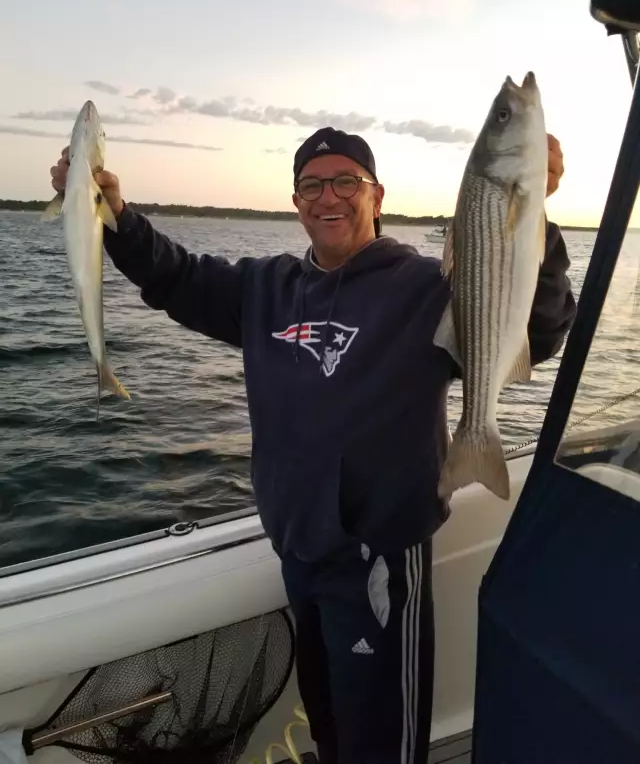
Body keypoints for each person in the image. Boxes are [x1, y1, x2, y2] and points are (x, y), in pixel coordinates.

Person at [50, 126, 575, 764]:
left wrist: (532, 222)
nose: (330, 196)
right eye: (312, 185)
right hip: (297, 554)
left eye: (346, 182)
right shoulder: (263, 288)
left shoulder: (423, 287)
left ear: (376, 195)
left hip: (378, 560)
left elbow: (536, 333)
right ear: (296, 202)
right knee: (327, 725)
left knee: (379, 744)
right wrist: (112, 214)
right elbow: (177, 278)